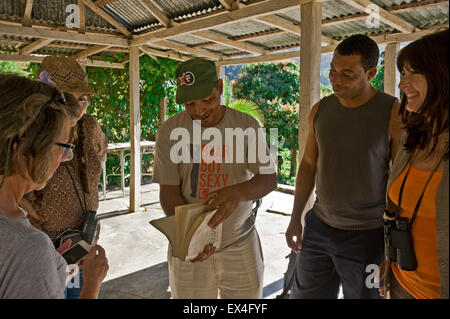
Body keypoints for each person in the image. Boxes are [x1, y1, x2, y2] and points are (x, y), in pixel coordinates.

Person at [285, 34, 402, 299]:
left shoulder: (392, 113)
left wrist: (390, 247)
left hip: (370, 238)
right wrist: (296, 217)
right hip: (319, 228)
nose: (336, 80)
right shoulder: (321, 110)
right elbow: (307, 165)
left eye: (347, 74)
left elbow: (401, 181)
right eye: (333, 71)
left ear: (370, 73)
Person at [153, 58, 277, 298]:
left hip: (239, 242)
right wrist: (191, 235)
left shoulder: (246, 126)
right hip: (189, 247)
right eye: (190, 103)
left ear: (220, 87)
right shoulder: (170, 131)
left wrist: (237, 193)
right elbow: (168, 191)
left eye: (207, 100)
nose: (199, 110)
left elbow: (269, 179)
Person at [0, 74, 109, 298]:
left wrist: (50, 265)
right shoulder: (27, 246)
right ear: (23, 148)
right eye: (62, 146)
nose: (63, 158)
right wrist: (92, 283)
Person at [383, 29, 449, 299]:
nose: (402, 84)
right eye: (402, 74)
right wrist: (390, 261)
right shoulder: (413, 135)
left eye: (414, 73)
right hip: (403, 286)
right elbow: (397, 212)